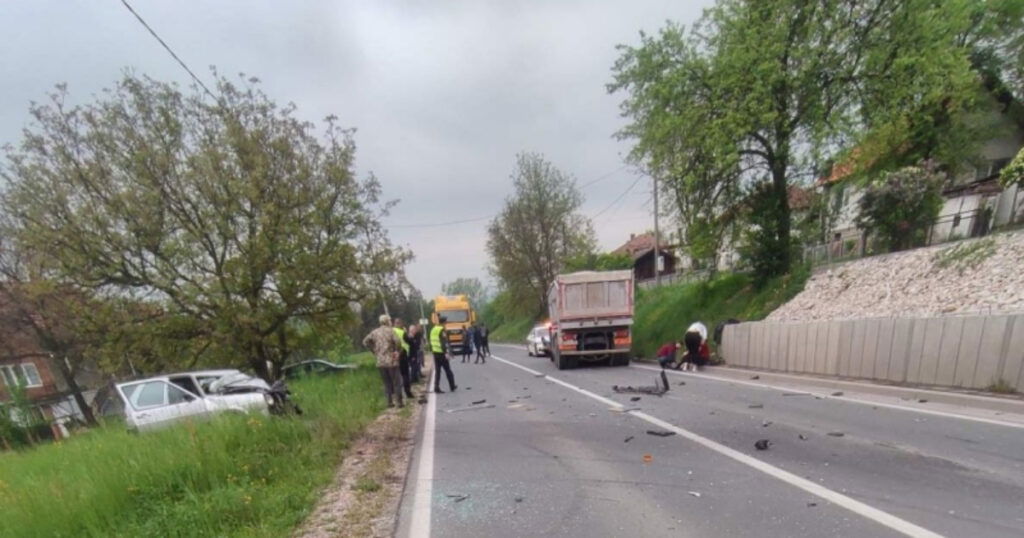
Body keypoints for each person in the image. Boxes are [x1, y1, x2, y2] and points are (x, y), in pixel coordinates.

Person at [362, 314, 404, 407]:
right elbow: (398, 341)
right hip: (391, 360)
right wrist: (397, 351)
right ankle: (399, 402)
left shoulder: (374, 332)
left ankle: (389, 402)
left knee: (387, 383)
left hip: (380, 361)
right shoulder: (391, 331)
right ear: (387, 321)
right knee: (397, 382)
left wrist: (374, 350)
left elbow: (365, 341)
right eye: (389, 320)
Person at [430, 316, 457, 393]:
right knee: (448, 370)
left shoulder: (433, 329)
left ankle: (436, 387)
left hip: (435, 353)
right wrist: (447, 352)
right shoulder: (441, 330)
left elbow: (431, 341)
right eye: (446, 322)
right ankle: (452, 386)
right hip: (441, 353)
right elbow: (444, 342)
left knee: (438, 371)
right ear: (444, 322)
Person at [393, 318, 415, 400]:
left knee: (395, 376)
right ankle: (408, 393)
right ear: (399, 324)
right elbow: (411, 342)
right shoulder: (402, 332)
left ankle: (396, 395)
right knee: (405, 374)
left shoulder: (391, 331)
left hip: (392, 355)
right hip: (402, 354)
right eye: (401, 324)